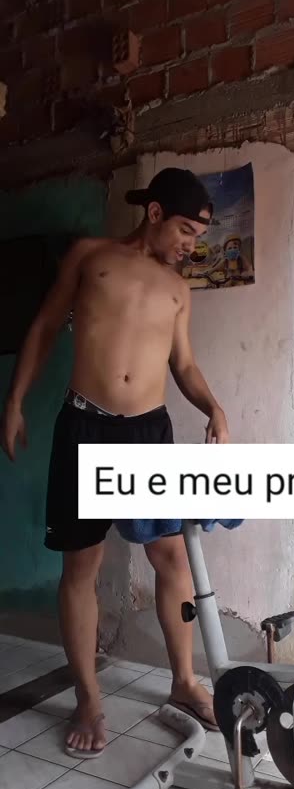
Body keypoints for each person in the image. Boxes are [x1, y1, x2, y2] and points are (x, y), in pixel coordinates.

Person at [0, 168, 229, 759]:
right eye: (185, 230)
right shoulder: (90, 256)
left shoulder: (178, 290)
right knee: (81, 564)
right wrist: (15, 400)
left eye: (198, 236)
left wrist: (214, 408)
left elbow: (184, 364)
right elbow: (44, 326)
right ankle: (88, 698)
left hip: (148, 432)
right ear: (153, 213)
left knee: (171, 555)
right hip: (85, 425)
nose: (191, 245)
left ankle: (184, 682)